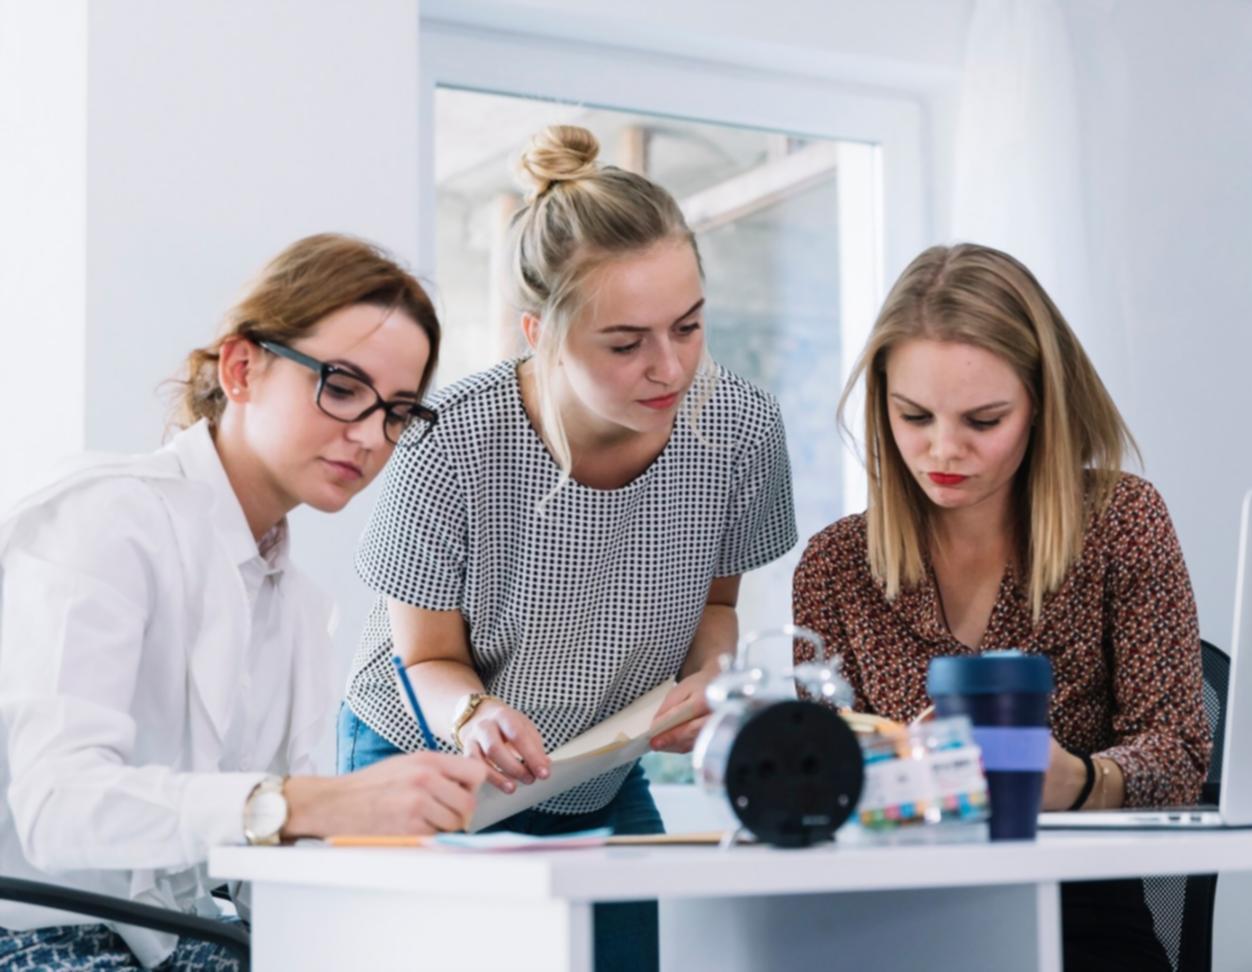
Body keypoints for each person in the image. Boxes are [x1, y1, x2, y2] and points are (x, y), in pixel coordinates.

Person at [338, 125, 797, 972]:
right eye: (625, 344)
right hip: (427, 753)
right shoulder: (452, 444)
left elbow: (717, 605)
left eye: (689, 326)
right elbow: (428, 657)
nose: (670, 368)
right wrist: (476, 720)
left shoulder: (740, 431)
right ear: (536, 332)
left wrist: (709, 681)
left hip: (596, 763)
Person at [0, 234, 486, 971]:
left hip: (188, 945)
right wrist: (309, 804)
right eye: (343, 386)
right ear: (241, 368)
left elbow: (274, 876)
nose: (367, 436)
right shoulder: (106, 521)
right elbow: (58, 805)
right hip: (41, 940)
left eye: (396, 412)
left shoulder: (293, 604)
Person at [792, 243, 1209, 971]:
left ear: (1042, 405)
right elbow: (810, 783)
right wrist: (896, 767)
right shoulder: (835, 567)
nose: (943, 449)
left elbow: (1178, 752)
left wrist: (1077, 781)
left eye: (984, 420)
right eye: (913, 415)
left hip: (1080, 910)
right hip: (888, 919)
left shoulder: (1121, 520)